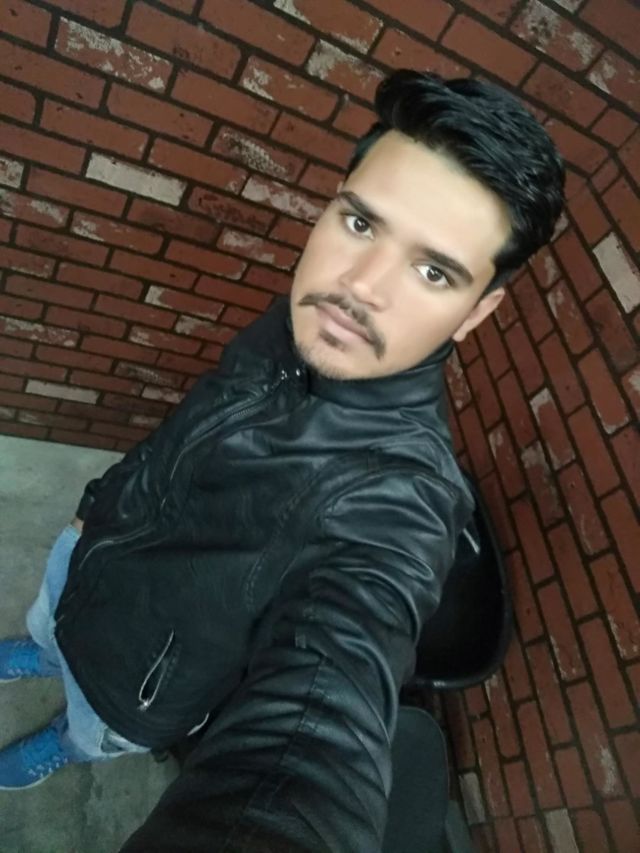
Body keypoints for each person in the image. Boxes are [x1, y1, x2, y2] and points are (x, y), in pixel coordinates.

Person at [0, 70, 564, 849]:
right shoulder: (306, 322)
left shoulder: (401, 499)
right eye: (360, 223)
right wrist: (98, 504)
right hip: (88, 558)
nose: (360, 286)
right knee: (49, 628)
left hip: (134, 686)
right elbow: (193, 419)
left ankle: (64, 743)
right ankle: (41, 649)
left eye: (434, 271)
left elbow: (324, 716)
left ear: (478, 311)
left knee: (88, 728)